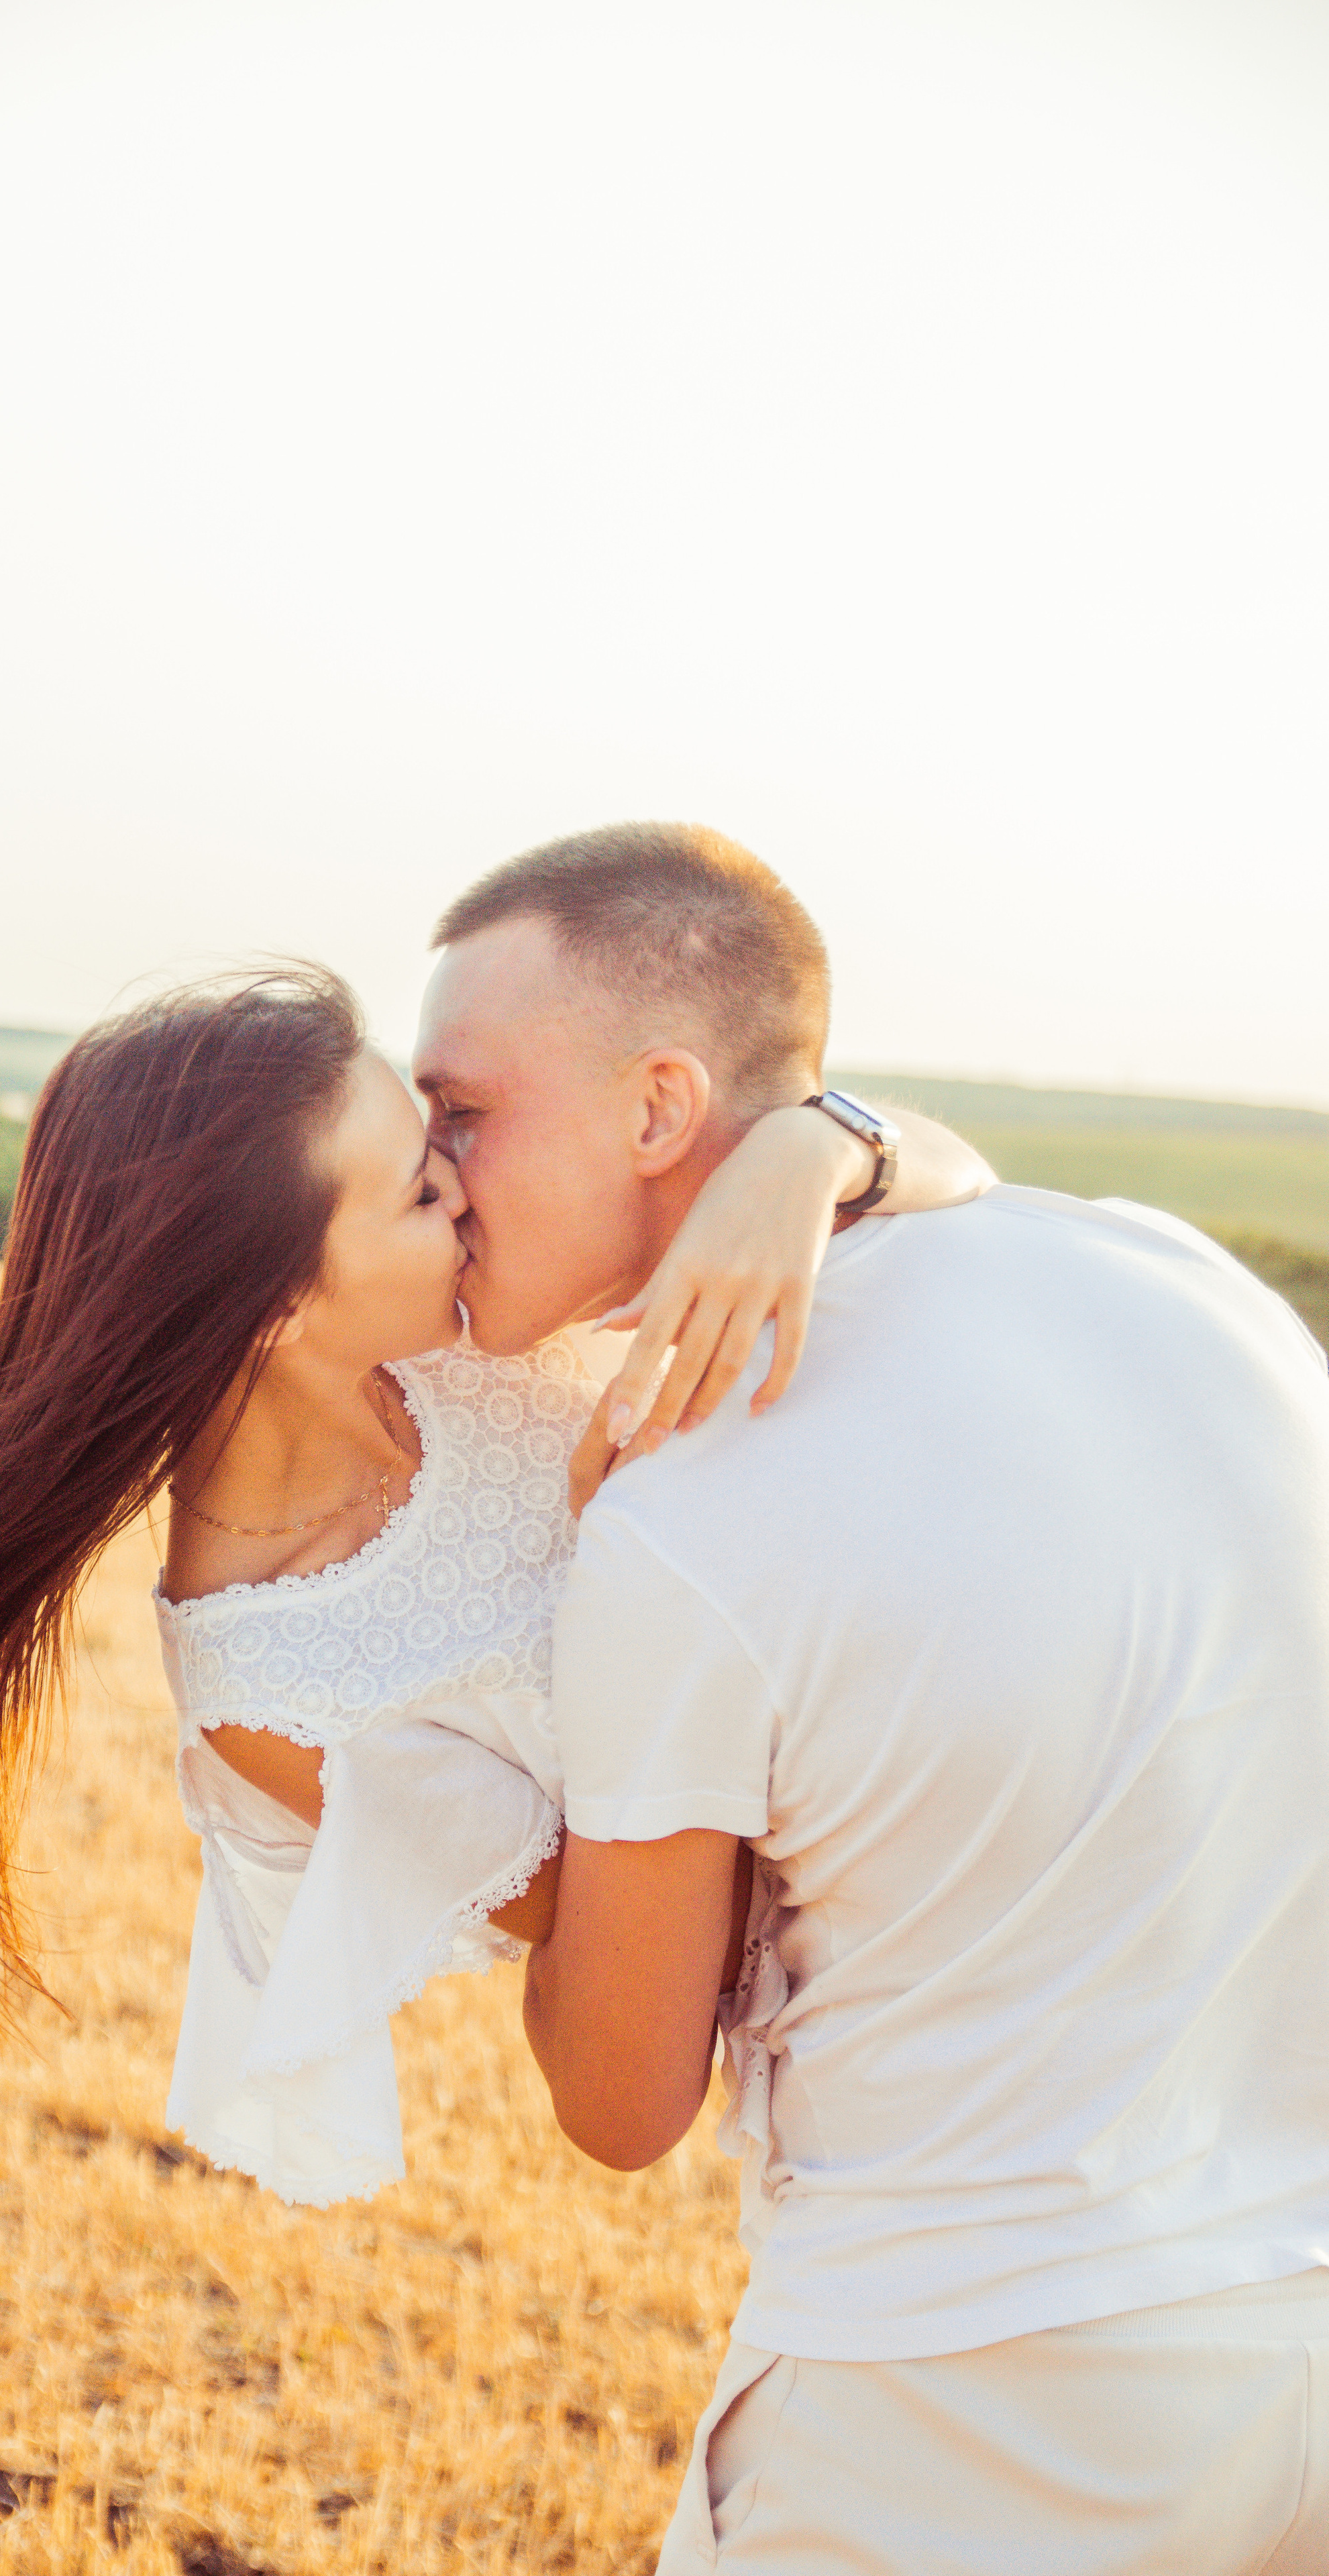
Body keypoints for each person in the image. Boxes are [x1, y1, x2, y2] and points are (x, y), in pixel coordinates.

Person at [0, 961, 986, 2206]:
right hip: (910, 1991)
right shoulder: (272, 1692)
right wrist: (633, 1565)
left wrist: (814, 1146)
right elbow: (622, 1967)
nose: (467, 1187)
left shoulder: (475, 1320)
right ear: (274, 1308)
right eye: (416, 1185)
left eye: (442, 1135)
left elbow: (962, 1176)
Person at [413, 821, 1329, 2575]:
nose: (435, 1163)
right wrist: (840, 1140)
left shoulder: (679, 1518)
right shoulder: (1178, 1275)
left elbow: (619, 2106)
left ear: (662, 1109)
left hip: (967, 2414)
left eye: (463, 1107)